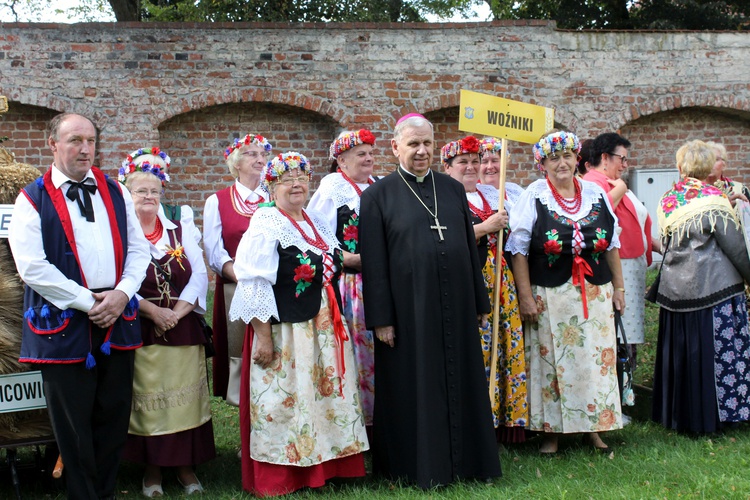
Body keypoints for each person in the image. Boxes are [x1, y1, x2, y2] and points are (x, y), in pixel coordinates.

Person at [8, 112, 151, 499]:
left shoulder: (116, 190)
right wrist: (89, 303)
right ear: (52, 145)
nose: (85, 148)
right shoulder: (31, 199)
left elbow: (139, 249)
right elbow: (32, 267)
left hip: (117, 316)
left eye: (89, 140)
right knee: (73, 425)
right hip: (63, 321)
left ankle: (103, 492)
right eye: (74, 140)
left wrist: (122, 294)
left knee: (114, 415)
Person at [359, 114, 501, 488]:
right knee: (415, 384)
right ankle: (417, 467)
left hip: (457, 304)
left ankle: (472, 463)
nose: (421, 152)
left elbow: (469, 251)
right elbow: (373, 264)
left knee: (464, 378)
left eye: (427, 144)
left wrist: (479, 303)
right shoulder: (377, 196)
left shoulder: (452, 190)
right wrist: (382, 319)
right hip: (409, 311)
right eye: (413, 144)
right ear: (395, 148)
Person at [228, 152, 368, 496]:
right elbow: (254, 281)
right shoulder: (266, 222)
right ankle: (284, 474)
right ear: (272, 186)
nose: (295, 184)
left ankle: (327, 464)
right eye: (286, 179)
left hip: (323, 323)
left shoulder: (314, 221)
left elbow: (341, 259)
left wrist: (392, 253)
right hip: (285, 329)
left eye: (301, 178)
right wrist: (263, 338)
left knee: (321, 395)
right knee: (287, 397)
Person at [507, 130, 625, 455]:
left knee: (595, 363)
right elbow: (517, 249)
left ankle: (595, 429)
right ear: (542, 163)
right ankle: (551, 433)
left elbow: (612, 242)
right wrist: (525, 296)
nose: (561, 163)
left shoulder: (595, 193)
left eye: (567, 156)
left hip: (595, 294)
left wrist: (620, 288)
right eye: (553, 157)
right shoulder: (534, 195)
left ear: (578, 159)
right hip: (550, 295)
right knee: (552, 365)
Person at [120, 149, 215, 496]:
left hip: (182, 325)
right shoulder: (121, 228)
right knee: (149, 398)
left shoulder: (179, 220)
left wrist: (175, 313)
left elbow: (199, 273)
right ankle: (153, 469)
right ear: (128, 193)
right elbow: (117, 279)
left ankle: (187, 468)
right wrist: (153, 312)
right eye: (141, 191)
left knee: (185, 400)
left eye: (154, 191)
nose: (149, 197)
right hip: (141, 326)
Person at [651, 140, 750, 434]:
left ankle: (681, 416)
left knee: (684, 354)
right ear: (708, 167)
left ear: (681, 167)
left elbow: (666, 241)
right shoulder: (714, 199)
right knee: (718, 353)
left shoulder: (667, 199)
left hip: (675, 290)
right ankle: (721, 415)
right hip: (715, 288)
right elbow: (734, 246)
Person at [442, 136, 527, 442]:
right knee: (476, 348)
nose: (471, 167)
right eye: (462, 162)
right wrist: (485, 227)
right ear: (447, 166)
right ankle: (474, 424)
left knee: (502, 346)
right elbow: (445, 237)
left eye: (474, 161)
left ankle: (503, 419)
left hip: (499, 279)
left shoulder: (491, 194)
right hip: (469, 279)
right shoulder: (445, 197)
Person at [307, 128, 377, 428]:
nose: (369, 158)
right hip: (350, 284)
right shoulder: (332, 188)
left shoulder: (379, 185)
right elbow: (315, 237)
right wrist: (349, 259)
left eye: (371, 153)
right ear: (342, 160)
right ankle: (358, 421)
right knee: (357, 350)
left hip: (381, 280)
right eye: (361, 154)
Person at [203, 134, 272, 402]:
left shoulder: (275, 196)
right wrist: (242, 277)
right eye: (251, 154)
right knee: (241, 353)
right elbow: (214, 251)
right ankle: (245, 418)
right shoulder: (217, 201)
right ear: (236, 163)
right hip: (235, 288)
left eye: (263, 154)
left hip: (274, 289)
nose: (259, 159)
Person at [584, 133, 652, 381]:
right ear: (605, 157)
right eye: (621, 159)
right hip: (617, 266)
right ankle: (620, 388)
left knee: (627, 333)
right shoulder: (593, 182)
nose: (625, 165)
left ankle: (627, 388)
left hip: (631, 266)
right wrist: (621, 189)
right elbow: (596, 214)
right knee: (617, 332)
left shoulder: (612, 181)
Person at [477, 137, 524, 205]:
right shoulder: (472, 196)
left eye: (494, 161)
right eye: (484, 161)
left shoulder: (516, 192)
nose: (490, 166)